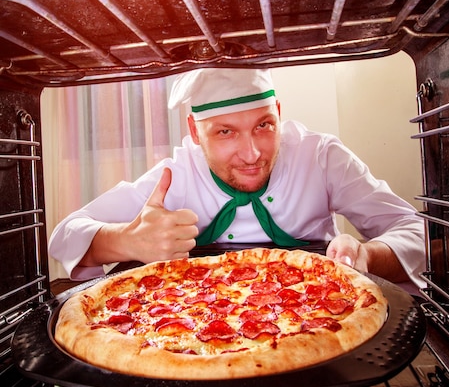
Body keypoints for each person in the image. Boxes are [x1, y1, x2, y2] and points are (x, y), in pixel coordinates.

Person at [49, 68, 425, 284]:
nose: (252, 154)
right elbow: (64, 233)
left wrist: (366, 257)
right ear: (196, 134)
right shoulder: (176, 176)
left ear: (279, 111)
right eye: (225, 132)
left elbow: (416, 229)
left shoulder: (322, 156)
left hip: (316, 311)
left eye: (264, 125)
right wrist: (128, 241)